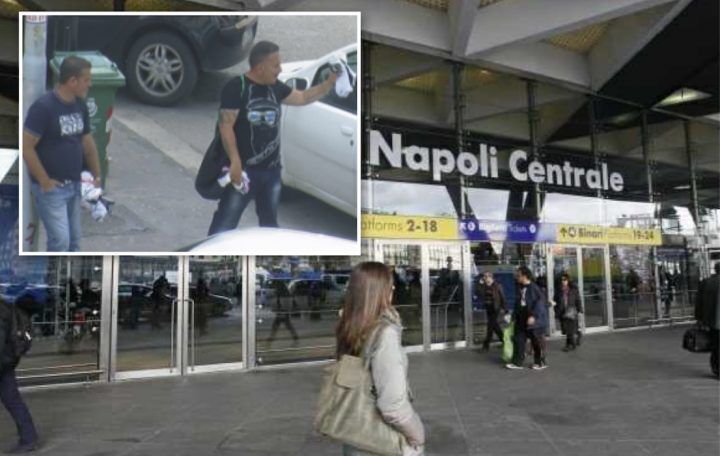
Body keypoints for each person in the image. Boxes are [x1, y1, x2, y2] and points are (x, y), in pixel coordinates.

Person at [202, 41, 340, 235]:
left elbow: (301, 98)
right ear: (260, 68)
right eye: (275, 65)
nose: (280, 69)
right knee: (225, 223)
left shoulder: (275, 87)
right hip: (243, 173)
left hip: (272, 173)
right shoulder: (237, 88)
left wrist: (328, 83)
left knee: (270, 226)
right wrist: (235, 161)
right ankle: (211, 255)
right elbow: (226, 126)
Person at [336, 262, 425, 455]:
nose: (393, 290)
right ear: (381, 293)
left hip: (355, 433)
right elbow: (393, 407)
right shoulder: (384, 334)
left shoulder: (350, 327)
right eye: (391, 286)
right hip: (383, 441)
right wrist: (417, 434)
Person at [23, 55, 102, 252]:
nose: (89, 85)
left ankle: (68, 279)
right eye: (86, 80)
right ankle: (52, 279)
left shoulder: (80, 105)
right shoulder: (44, 108)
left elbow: (87, 142)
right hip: (53, 190)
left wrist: (97, 175)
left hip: (74, 186)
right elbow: (26, 146)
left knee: (74, 242)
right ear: (72, 81)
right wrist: (44, 181)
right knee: (60, 242)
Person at [0, 299, 40, 453]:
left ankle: (29, 439)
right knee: (13, 400)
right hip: (7, 363)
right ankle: (29, 438)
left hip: (2, 362)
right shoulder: (5, 305)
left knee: (13, 400)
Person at [506, 266, 548, 370]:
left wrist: (533, 316)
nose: (517, 277)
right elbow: (518, 303)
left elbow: (540, 303)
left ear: (525, 276)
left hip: (532, 318)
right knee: (518, 339)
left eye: (518, 275)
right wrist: (512, 316)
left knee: (535, 341)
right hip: (521, 317)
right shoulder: (519, 287)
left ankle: (540, 362)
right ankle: (517, 362)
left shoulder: (534, 288)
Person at [695, 262, 720, 379]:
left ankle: (717, 368)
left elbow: (699, 302)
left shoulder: (706, 282)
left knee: (716, 345)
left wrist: (699, 318)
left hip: (711, 321)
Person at [552, 274, 583, 352]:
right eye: (562, 280)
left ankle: (569, 345)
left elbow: (578, 300)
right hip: (562, 312)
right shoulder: (558, 290)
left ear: (568, 280)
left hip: (570, 311)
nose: (563, 281)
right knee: (566, 329)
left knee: (569, 330)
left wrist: (580, 311)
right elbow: (555, 300)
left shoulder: (573, 289)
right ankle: (578, 333)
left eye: (565, 279)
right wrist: (555, 309)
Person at [478, 271, 507, 351]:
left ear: (491, 277)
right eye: (484, 276)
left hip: (496, 308)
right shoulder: (484, 286)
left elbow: (502, 297)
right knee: (495, 326)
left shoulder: (497, 285)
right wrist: (480, 284)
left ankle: (486, 345)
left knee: (490, 326)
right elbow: (479, 293)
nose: (485, 278)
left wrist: (505, 309)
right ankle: (505, 341)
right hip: (488, 308)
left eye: (486, 276)